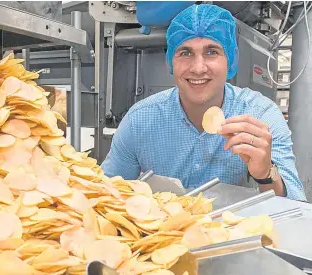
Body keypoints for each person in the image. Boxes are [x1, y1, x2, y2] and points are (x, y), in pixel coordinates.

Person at [101, 4, 306, 201]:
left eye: (211, 52)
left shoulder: (261, 115)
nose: (198, 68)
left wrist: (266, 173)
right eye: (185, 52)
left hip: (234, 233)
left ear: (230, 61)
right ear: (171, 61)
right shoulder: (139, 121)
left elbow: (294, 207)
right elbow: (106, 193)